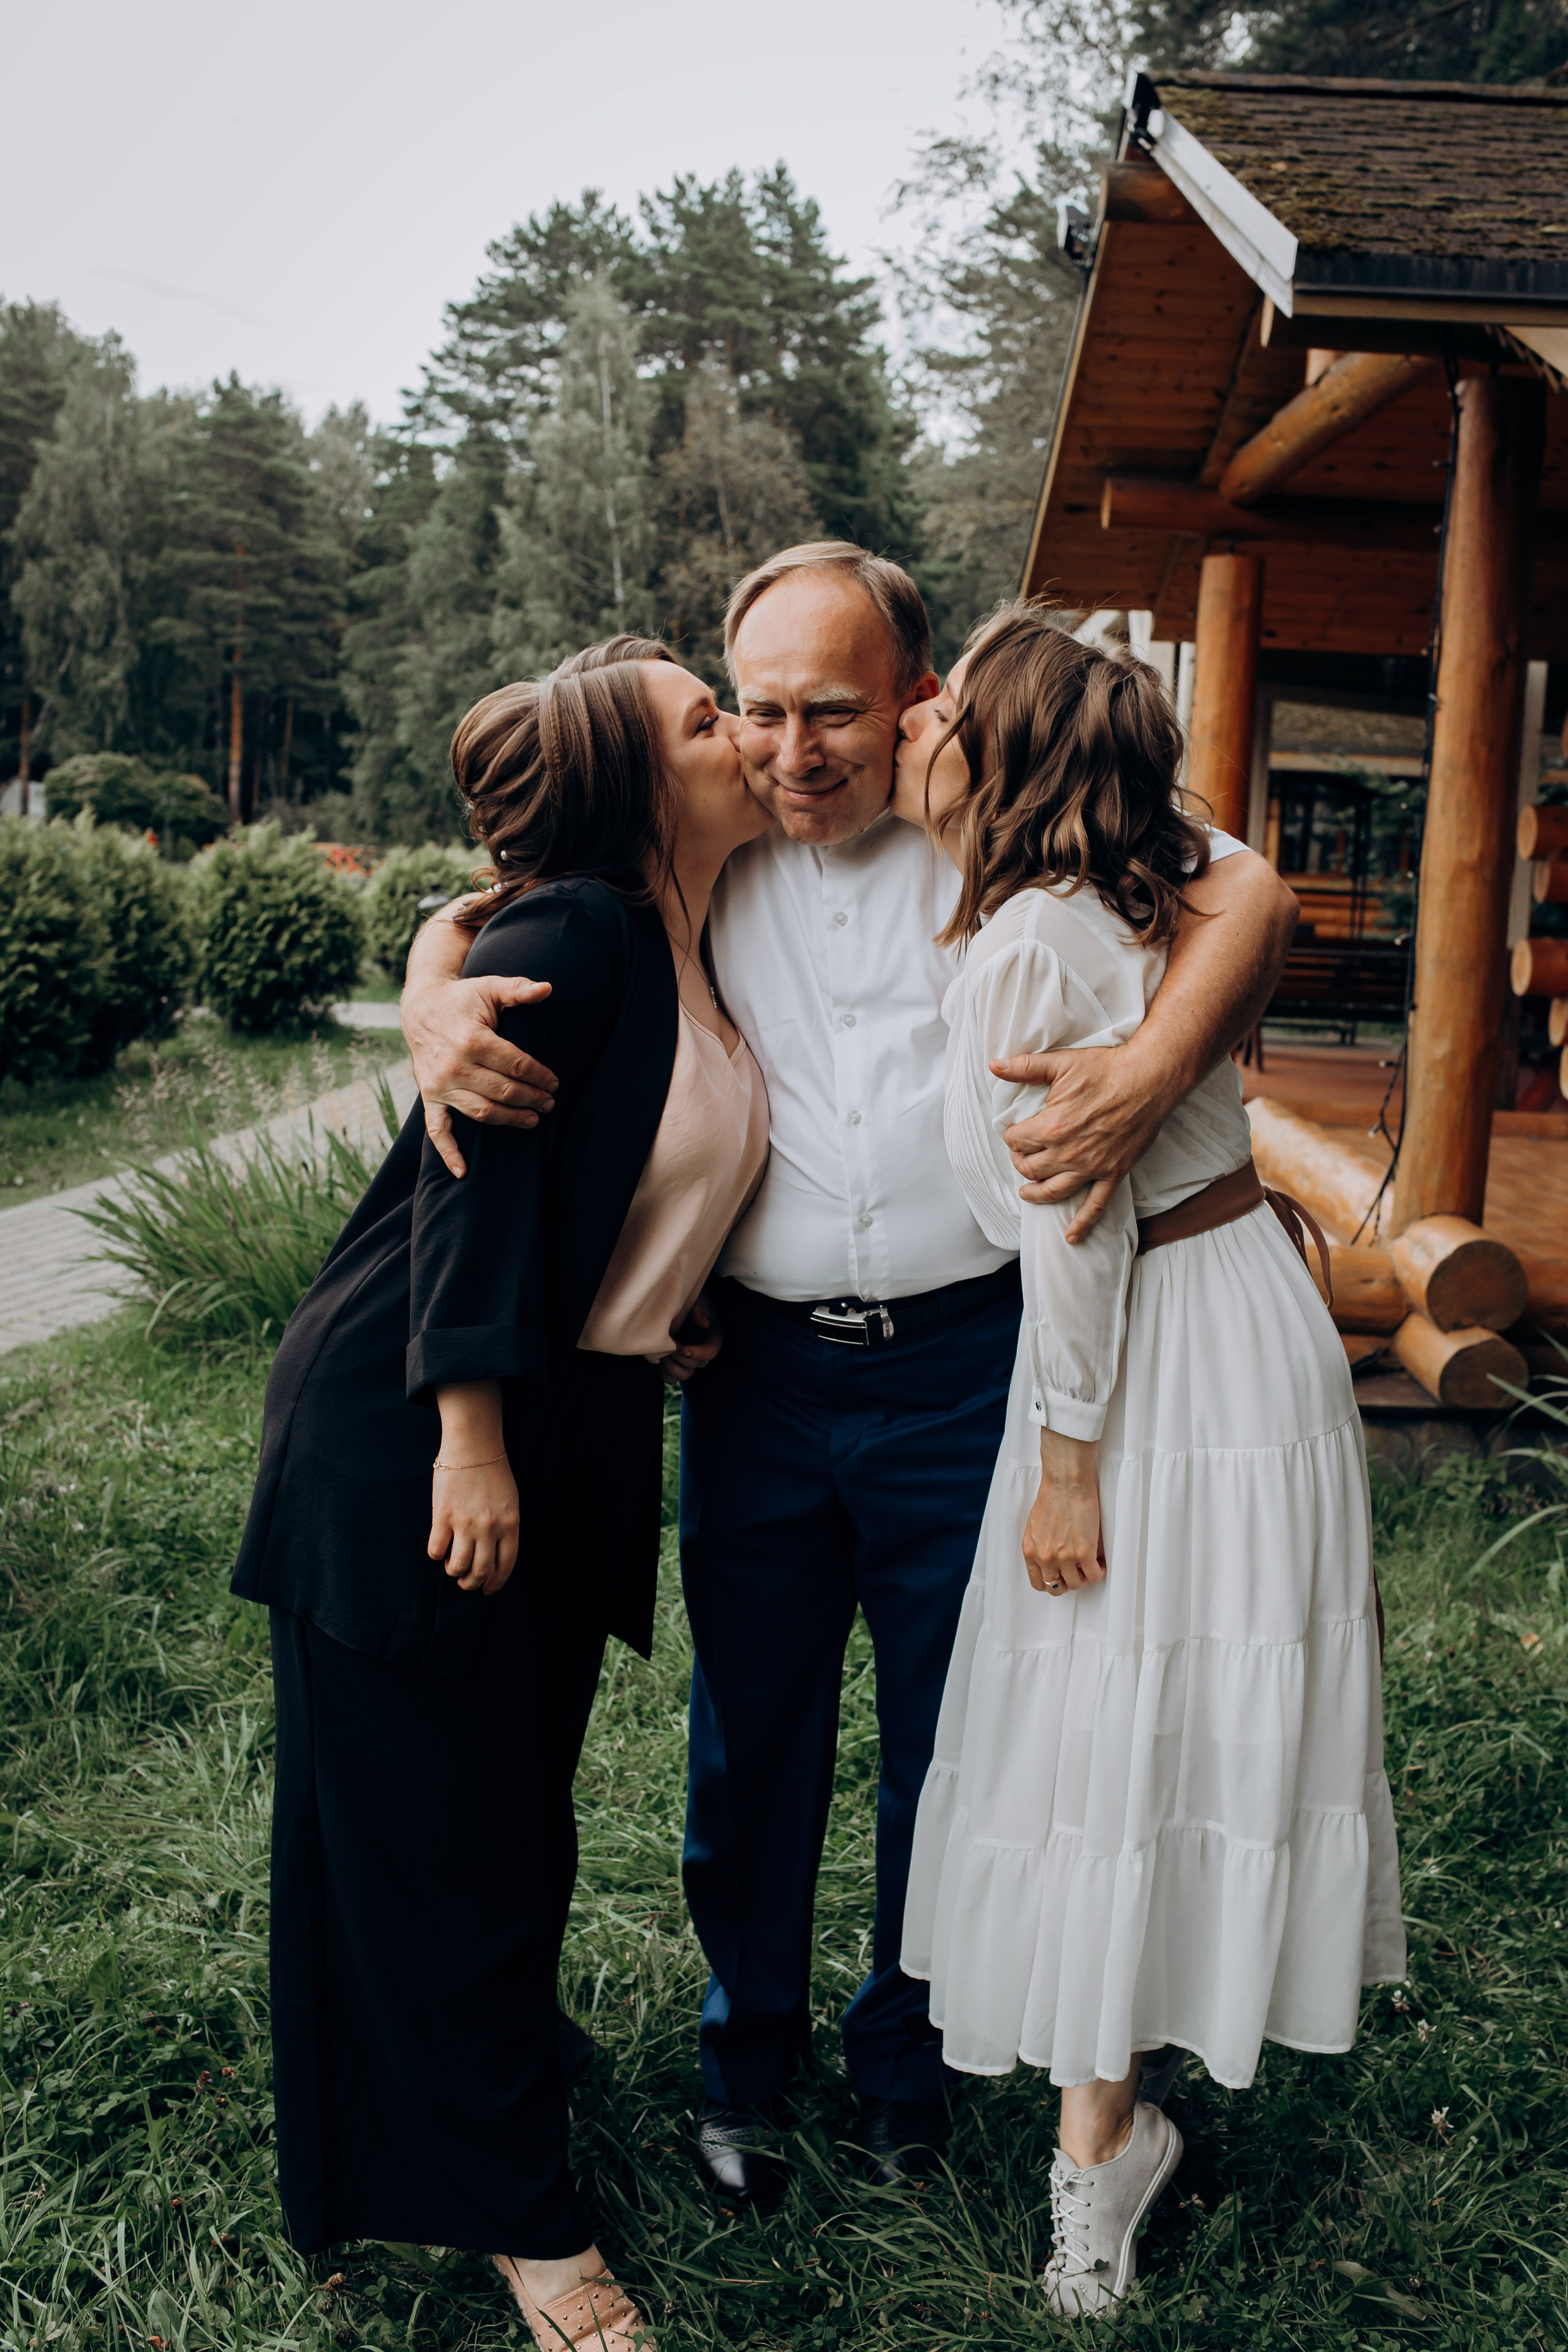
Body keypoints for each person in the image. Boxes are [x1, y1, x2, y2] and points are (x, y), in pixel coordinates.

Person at [399, 544, 1300, 2199]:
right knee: (751, 1735)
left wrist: (1161, 1057)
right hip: (761, 1376)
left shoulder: (1004, 818)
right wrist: (424, 988)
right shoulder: (704, 839)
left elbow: (1245, 886)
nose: (795, 752)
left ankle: (912, 2060)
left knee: (957, 1733)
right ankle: (743, 2065)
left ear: (919, 698)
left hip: (976, 1361)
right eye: (760, 712)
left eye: (834, 712)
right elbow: (497, 893)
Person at [230, 640, 771, 2352]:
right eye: (711, 720)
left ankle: (439, 2111)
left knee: (484, 1824)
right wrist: (472, 1436)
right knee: (437, 1839)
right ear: (638, 779)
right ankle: (523, 2230)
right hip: (419, 1436)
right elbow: (469, 1201)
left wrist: (659, 1299)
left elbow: (629, 1174)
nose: (746, 738)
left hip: (569, 1416)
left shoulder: (693, 945)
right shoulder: (576, 935)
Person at [892, 604, 1403, 2315]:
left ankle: (1096, 2161)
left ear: (1002, 754)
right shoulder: (1114, 908)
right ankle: (1120, 2105)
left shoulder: (1038, 942)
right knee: (1165, 1704)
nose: (915, 728)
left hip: (1155, 1353)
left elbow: (1068, 1240)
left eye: (941, 711)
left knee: (1107, 1716)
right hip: (1248, 1310)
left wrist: (1066, 1460)